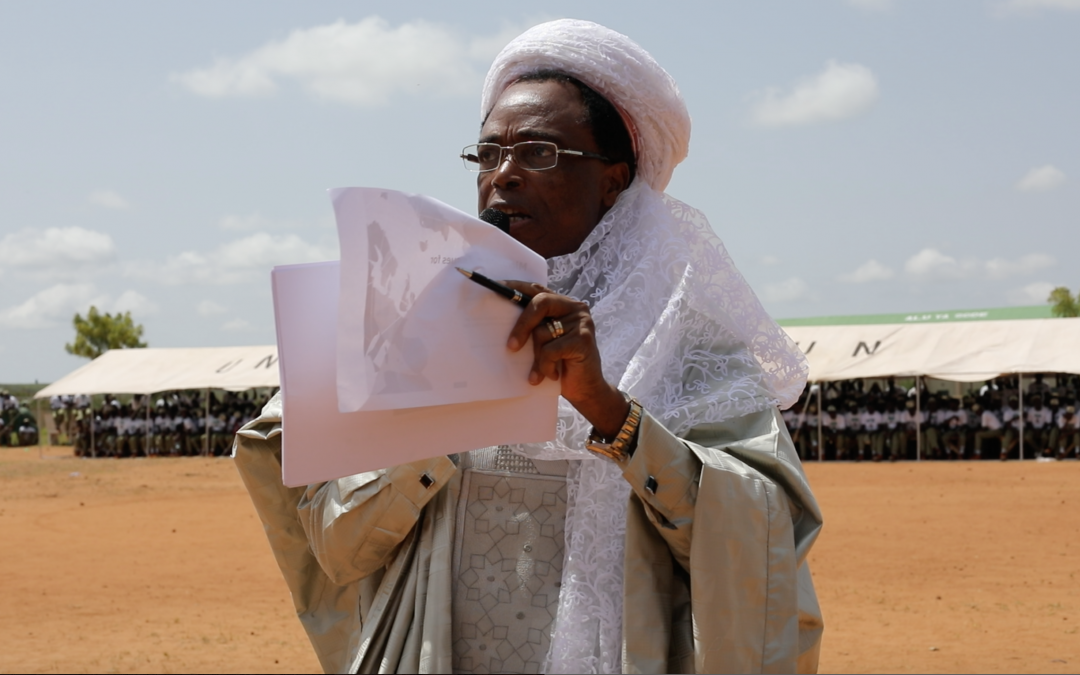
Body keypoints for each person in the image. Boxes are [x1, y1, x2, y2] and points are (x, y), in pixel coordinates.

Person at [234, 19, 822, 674]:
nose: (504, 176)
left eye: (539, 154)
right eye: (488, 155)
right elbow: (338, 547)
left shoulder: (689, 346)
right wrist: (440, 402)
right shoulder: (400, 326)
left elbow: (764, 538)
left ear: (614, 180)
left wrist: (613, 415)